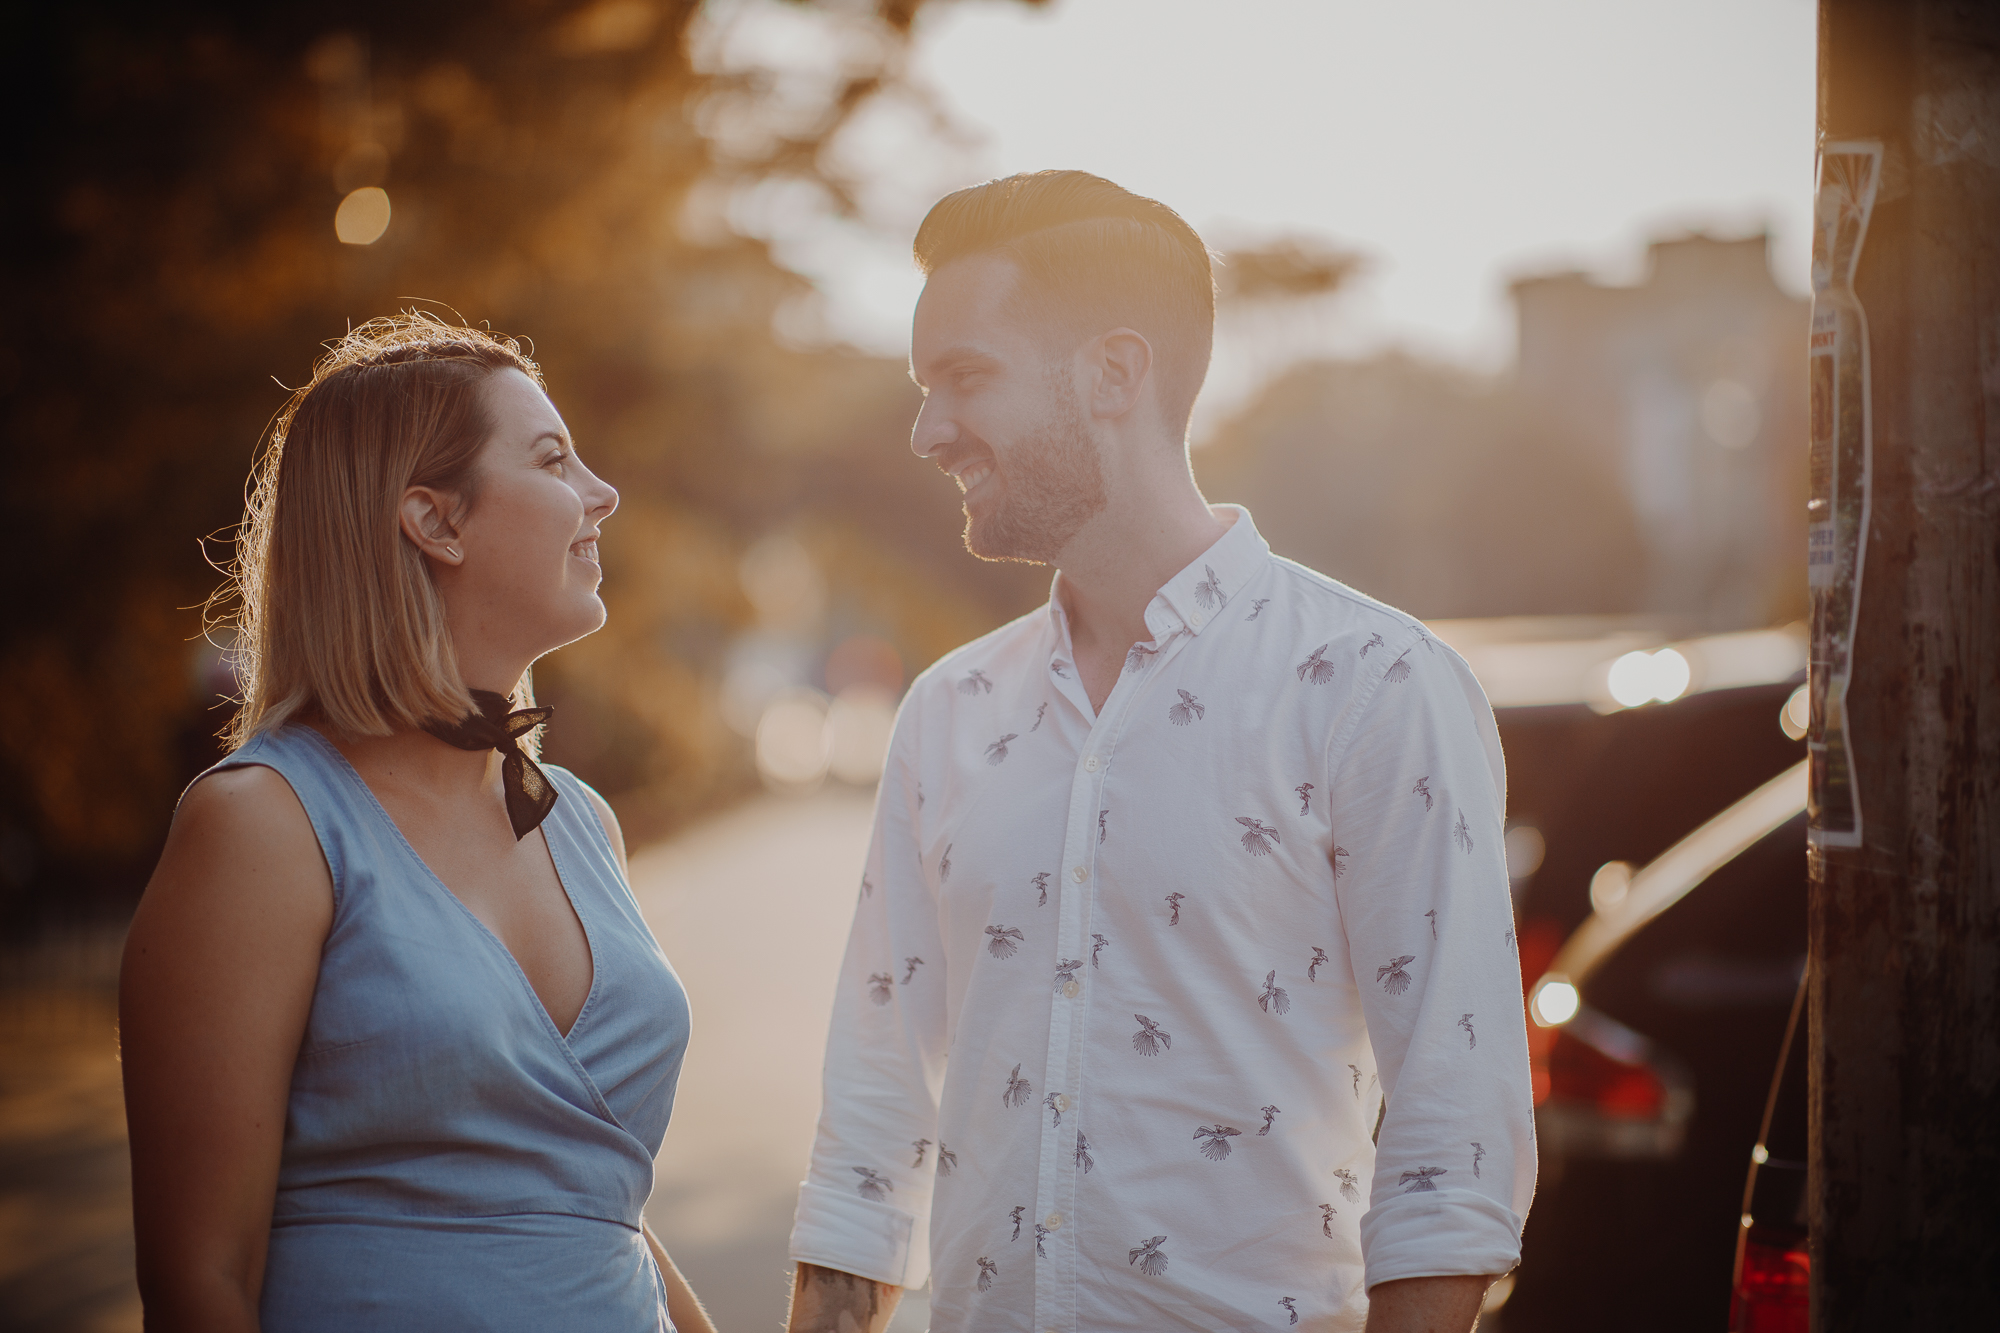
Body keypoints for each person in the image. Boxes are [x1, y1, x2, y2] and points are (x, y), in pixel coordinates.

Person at [786, 172, 1535, 1333]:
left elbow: (1453, 1140)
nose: (929, 432)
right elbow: (872, 1125)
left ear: (1113, 373)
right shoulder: (946, 712)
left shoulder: (1373, 685)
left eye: (963, 378)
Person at [119, 317, 716, 1333]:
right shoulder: (264, 825)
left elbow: (592, 1205)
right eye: (552, 459)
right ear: (434, 523)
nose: (601, 493)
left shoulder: (579, 820)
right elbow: (200, 1278)